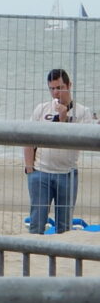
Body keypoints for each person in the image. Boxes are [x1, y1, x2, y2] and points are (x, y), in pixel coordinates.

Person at [23, 68, 95, 234]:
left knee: (64, 226)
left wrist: (64, 120)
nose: (56, 93)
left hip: (66, 173)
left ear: (69, 85)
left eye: (60, 87)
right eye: (52, 88)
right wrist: (29, 169)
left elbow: (82, 141)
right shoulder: (42, 109)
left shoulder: (82, 112)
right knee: (37, 223)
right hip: (41, 172)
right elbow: (28, 138)